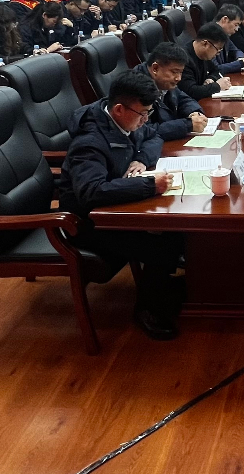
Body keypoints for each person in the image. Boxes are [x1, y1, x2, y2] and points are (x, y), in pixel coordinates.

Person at [62, 70, 184, 340]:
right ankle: (147, 310)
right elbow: (91, 192)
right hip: (85, 223)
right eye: (143, 114)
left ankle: (165, 286)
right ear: (119, 109)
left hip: (115, 208)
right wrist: (149, 185)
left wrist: (141, 160)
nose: (145, 120)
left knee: (177, 230)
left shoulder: (122, 121)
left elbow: (153, 136)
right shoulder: (89, 143)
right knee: (163, 243)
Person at [123, 43, 208, 140]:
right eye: (174, 72)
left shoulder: (164, 82)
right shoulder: (136, 89)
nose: (179, 78)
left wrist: (194, 113)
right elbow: (143, 131)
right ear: (155, 68)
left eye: (181, 72)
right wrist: (187, 125)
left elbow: (182, 97)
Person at [180, 24, 232, 100]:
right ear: (205, 44)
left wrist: (211, 78)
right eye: (217, 50)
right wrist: (217, 86)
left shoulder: (204, 55)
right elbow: (191, 91)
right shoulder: (183, 59)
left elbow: (218, 70)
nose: (217, 54)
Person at [212, 4, 244, 74]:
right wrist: (243, 63)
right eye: (236, 25)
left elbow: (236, 50)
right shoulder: (210, 37)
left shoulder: (224, 34)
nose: (237, 29)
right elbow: (215, 69)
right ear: (225, 19)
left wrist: (240, 58)